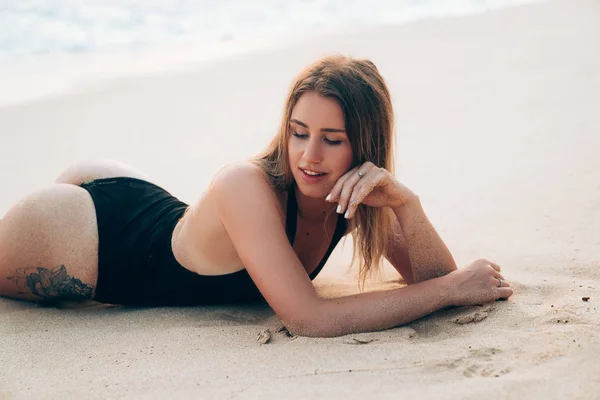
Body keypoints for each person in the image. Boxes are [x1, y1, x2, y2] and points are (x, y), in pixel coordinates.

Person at [0, 55, 512, 337]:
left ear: (366, 145)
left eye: (332, 140)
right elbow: (309, 319)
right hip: (78, 237)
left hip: (144, 213)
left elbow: (438, 279)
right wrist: (447, 291)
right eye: (298, 132)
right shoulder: (245, 184)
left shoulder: (357, 197)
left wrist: (406, 204)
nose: (309, 155)